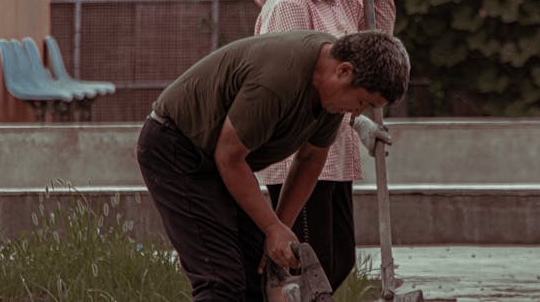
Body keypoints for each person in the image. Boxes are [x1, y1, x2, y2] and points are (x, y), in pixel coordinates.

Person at [136, 29, 410, 301]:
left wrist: (279, 230)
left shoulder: (330, 96)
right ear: (344, 71)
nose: (357, 112)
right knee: (221, 279)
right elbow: (229, 156)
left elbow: (310, 159)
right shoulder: (280, 80)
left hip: (218, 159)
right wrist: (270, 227)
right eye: (362, 101)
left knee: (259, 267)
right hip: (176, 149)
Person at [252, 0, 397, 289]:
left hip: (334, 150)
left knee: (338, 259)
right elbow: (290, 88)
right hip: (301, 153)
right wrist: (356, 118)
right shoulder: (289, 5)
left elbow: (376, 46)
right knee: (308, 263)